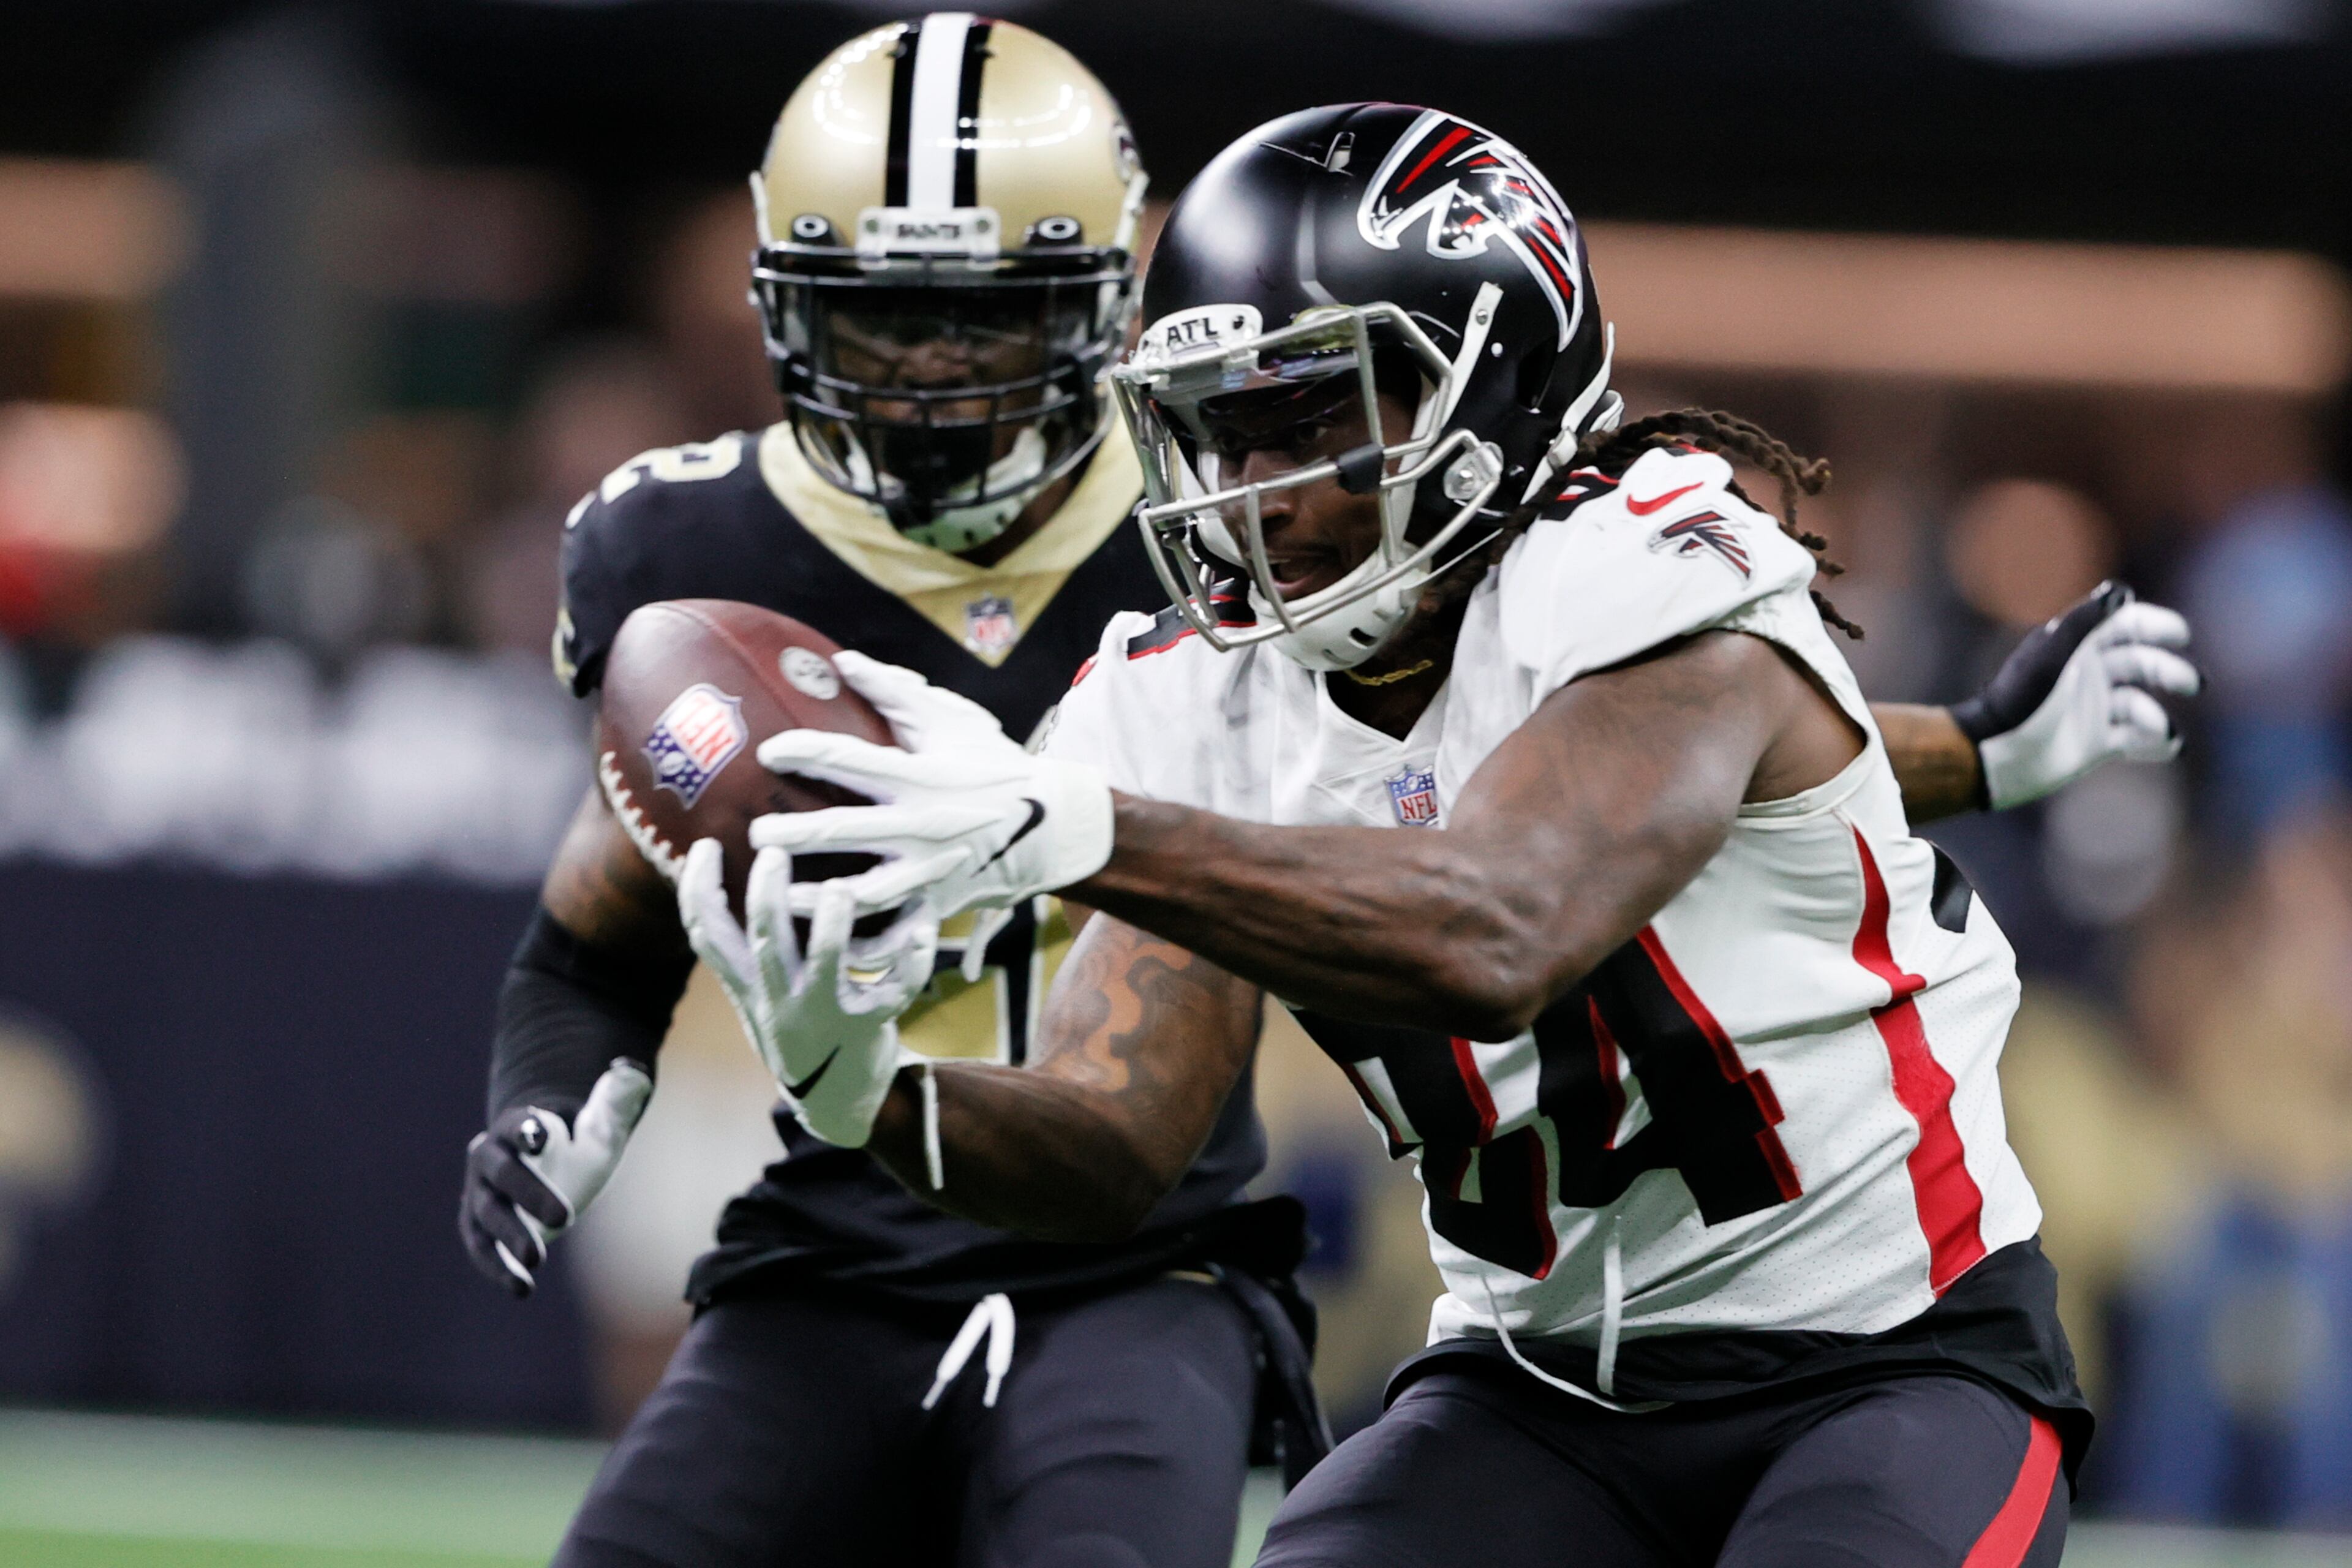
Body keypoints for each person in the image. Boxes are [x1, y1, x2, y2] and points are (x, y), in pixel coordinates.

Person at [717, 104, 2198, 1567]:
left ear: (1494, 384)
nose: (1251, 492)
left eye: (1305, 416)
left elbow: (1501, 917)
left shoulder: (1658, 562)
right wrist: (868, 1089)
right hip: (1536, 1386)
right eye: (1218, 428)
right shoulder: (1194, 701)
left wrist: (1076, 826)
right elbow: (1116, 1138)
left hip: (1889, 1361)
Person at [459, 21, 1313, 1568]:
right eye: (880, 324)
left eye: (980, 326)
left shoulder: (1232, 526)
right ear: (786, 315)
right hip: (836, 1251)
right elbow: (596, 934)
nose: (928, 372)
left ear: (1109, 303)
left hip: (1140, 1264)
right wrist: (548, 1083)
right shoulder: (689, 555)